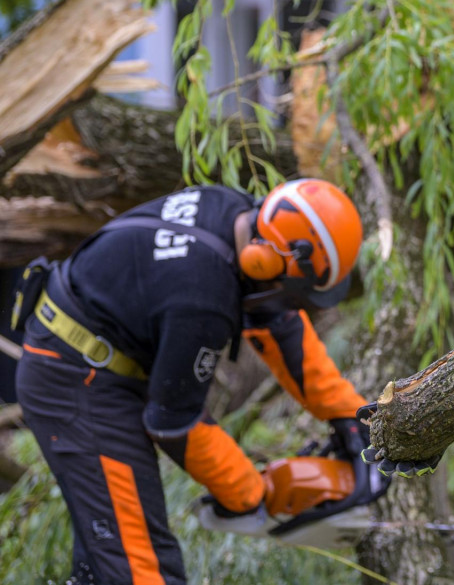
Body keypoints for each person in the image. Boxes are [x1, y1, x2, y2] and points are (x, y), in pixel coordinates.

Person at [13, 178, 380, 585]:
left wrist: (350, 414)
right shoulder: (201, 299)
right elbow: (174, 423)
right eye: (293, 291)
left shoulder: (236, 212)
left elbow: (277, 321)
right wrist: (250, 495)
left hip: (100, 359)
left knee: (109, 564)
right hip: (74, 381)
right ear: (263, 262)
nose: (290, 303)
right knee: (144, 570)